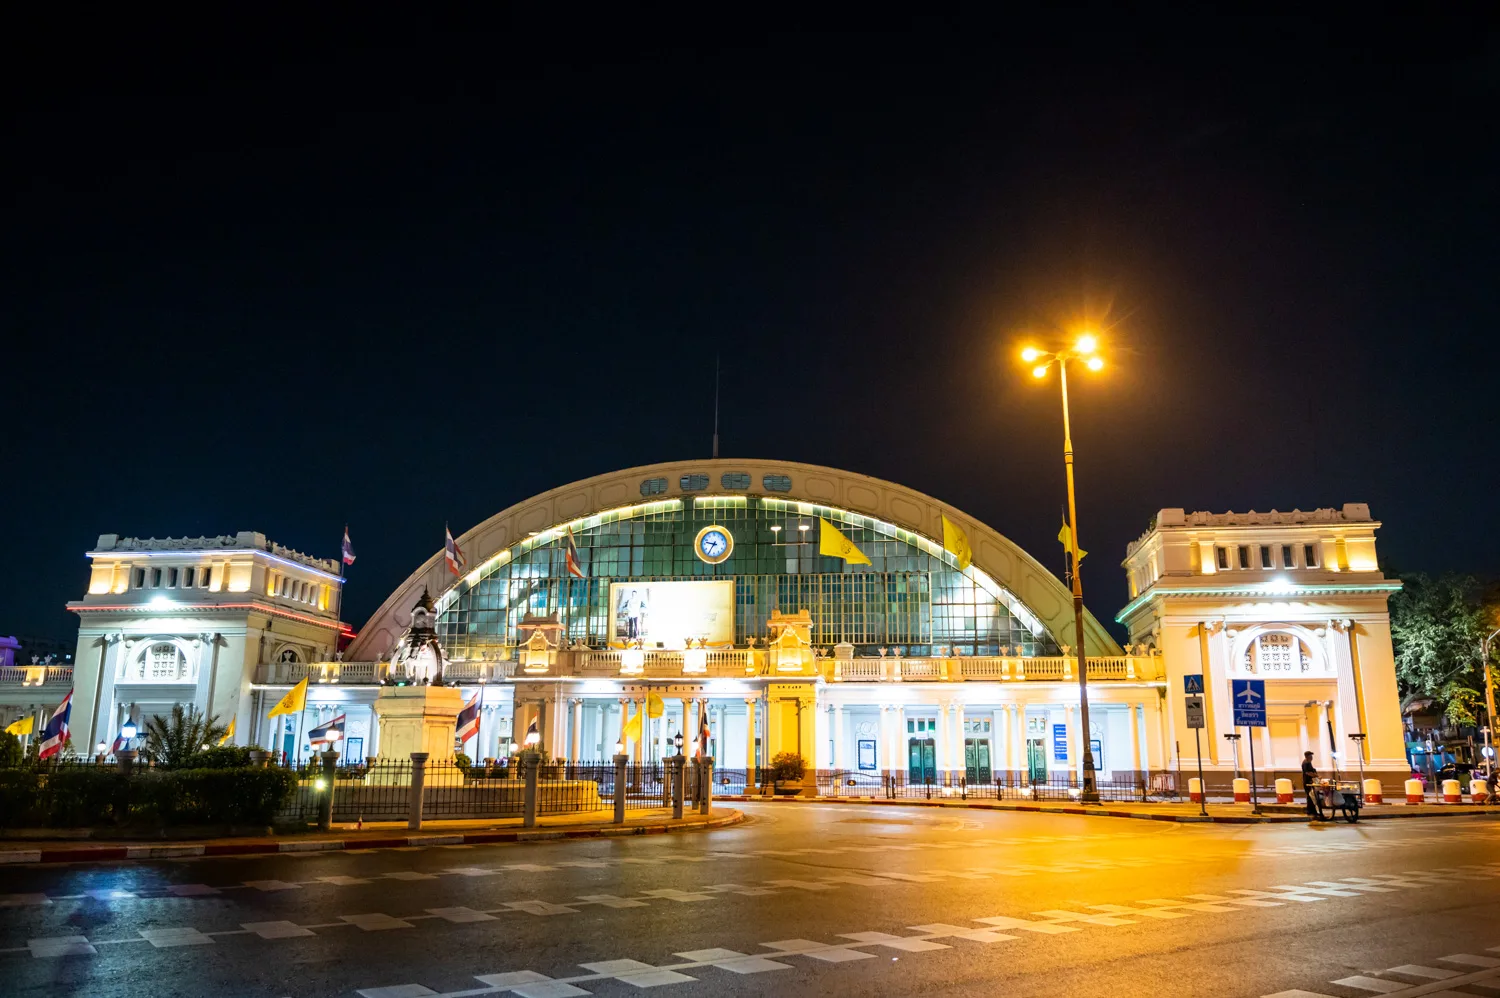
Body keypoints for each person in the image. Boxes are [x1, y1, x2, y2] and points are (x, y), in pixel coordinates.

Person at [1301, 751, 1320, 818]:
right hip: (1307, 782)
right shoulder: (1306, 763)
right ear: (1307, 756)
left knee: (1311, 796)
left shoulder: (1308, 762)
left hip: (1310, 781)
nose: (1312, 757)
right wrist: (1317, 776)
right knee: (1310, 796)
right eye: (1310, 756)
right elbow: (1308, 773)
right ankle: (1310, 811)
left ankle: (1312, 811)